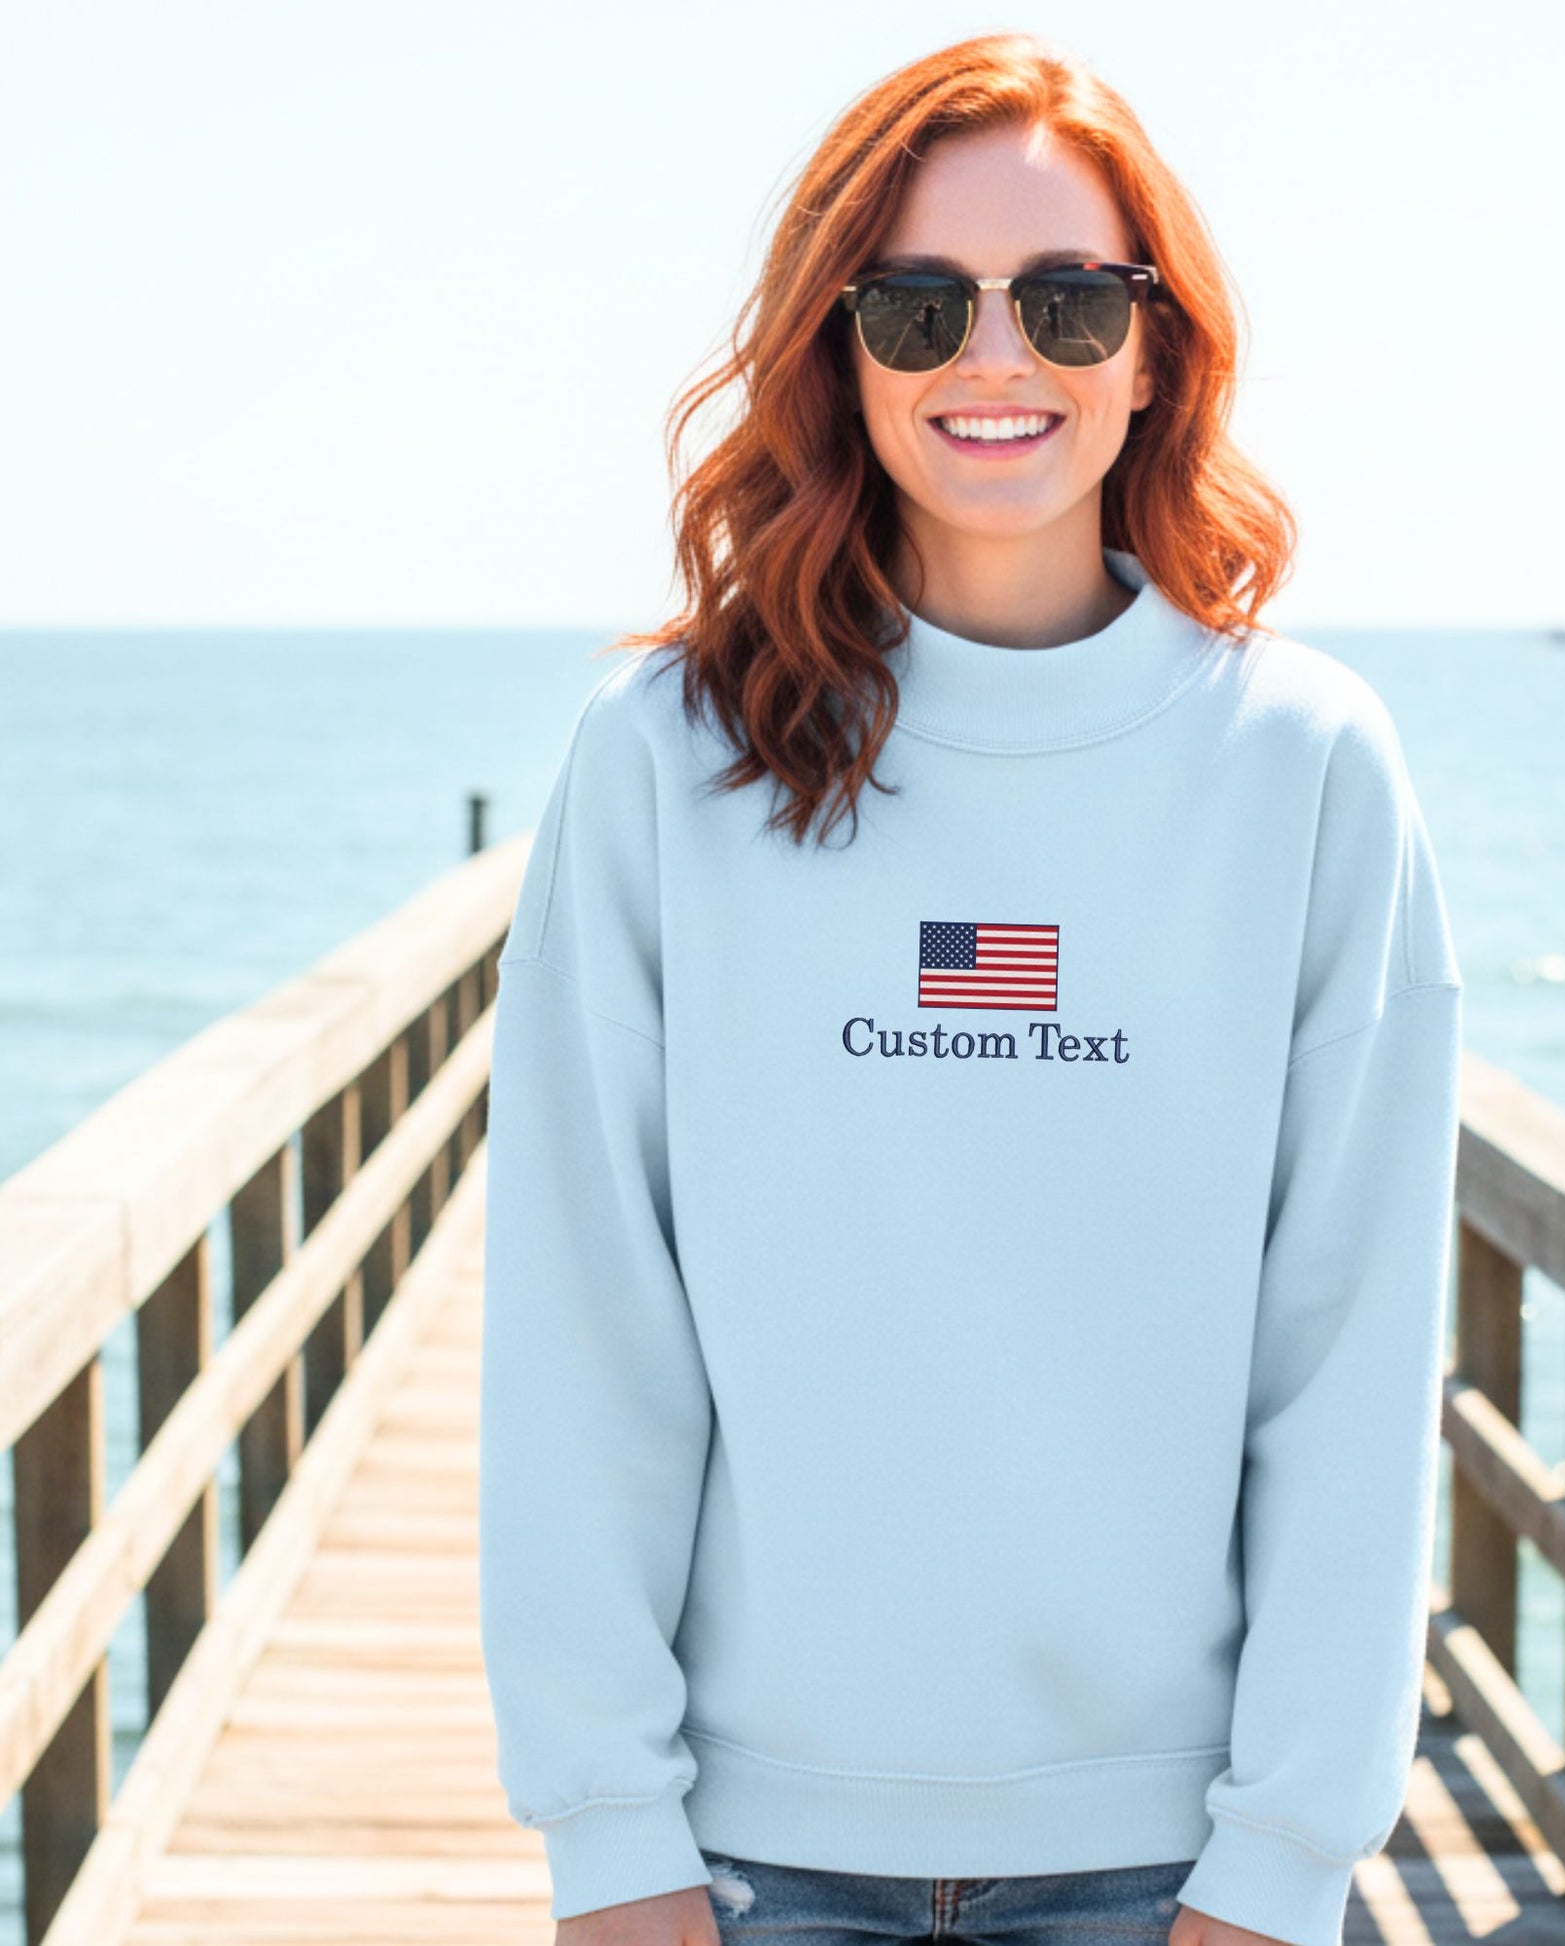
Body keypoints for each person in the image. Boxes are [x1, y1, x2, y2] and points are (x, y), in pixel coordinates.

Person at [477, 30, 1464, 1946]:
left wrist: (1282, 1863)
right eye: (919, 306)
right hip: (745, 1865)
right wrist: (609, 1834)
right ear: (840, 352)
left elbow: (1347, 1356)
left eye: (1068, 301)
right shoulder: (667, 756)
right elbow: (584, 1315)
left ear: (1156, 344)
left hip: (1175, 1866)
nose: (993, 358)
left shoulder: (1306, 763)